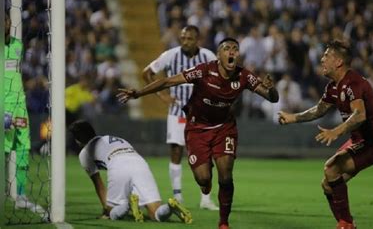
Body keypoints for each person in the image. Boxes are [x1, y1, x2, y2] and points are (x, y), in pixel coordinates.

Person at [117, 37, 279, 229]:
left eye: (235, 49)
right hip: (197, 129)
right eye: (227, 48)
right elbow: (168, 81)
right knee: (203, 179)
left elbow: (272, 98)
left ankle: (223, 222)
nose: (232, 52)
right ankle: (206, 181)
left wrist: (272, 88)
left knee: (226, 175)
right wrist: (138, 93)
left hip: (224, 129)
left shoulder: (244, 76)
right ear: (218, 55)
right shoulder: (204, 70)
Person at [278, 40, 373, 229]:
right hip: (358, 141)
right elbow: (319, 110)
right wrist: (293, 118)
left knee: (331, 169)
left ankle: (346, 224)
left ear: (338, 62)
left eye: (326, 55)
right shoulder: (333, 86)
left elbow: (360, 114)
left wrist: (336, 131)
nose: (322, 59)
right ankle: (346, 224)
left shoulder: (352, 83)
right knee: (328, 184)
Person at [142, 25, 218, 210]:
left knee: (205, 155)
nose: (185, 41)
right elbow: (147, 73)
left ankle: (205, 199)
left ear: (197, 39)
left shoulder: (208, 56)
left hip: (202, 115)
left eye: (189, 38)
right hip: (178, 113)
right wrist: (162, 95)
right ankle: (178, 196)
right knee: (176, 152)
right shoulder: (171, 55)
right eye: (182, 38)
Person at [68, 120, 192, 223]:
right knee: (155, 214)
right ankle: (170, 207)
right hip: (140, 162)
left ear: (77, 139)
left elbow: (98, 184)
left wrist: (107, 210)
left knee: (112, 213)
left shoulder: (84, 154)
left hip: (118, 165)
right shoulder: (112, 137)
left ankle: (128, 205)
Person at [4, 13, 46, 217]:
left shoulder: (18, 45)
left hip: (19, 106)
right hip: (2, 106)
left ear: (9, 23)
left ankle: (20, 195)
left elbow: (21, 73)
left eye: (5, 20)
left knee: (23, 150)